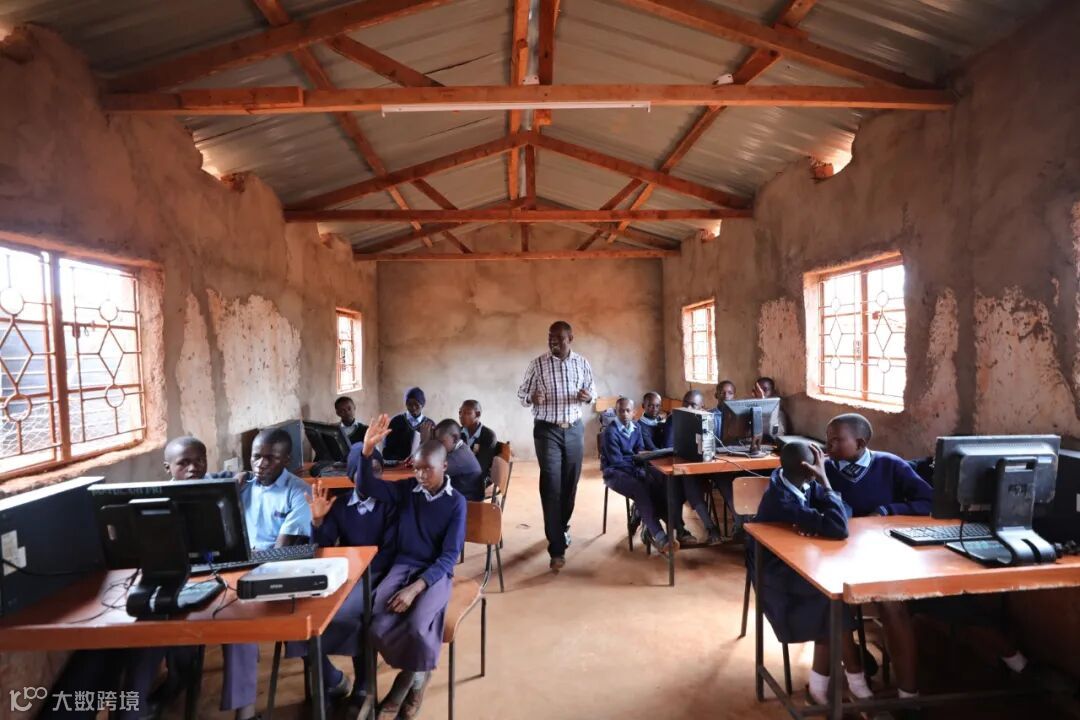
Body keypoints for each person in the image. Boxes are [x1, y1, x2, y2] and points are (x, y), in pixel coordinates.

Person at [356, 415, 466, 719]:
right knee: (379, 620)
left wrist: (416, 588)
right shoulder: (407, 490)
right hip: (404, 564)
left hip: (435, 573)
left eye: (427, 469)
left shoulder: (456, 503)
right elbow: (368, 485)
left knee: (417, 625)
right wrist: (367, 452)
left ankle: (409, 683)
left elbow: (449, 555)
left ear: (444, 466)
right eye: (416, 468)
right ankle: (418, 670)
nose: (420, 475)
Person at [750, 441, 872, 706]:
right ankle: (856, 682)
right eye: (818, 464)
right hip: (776, 578)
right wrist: (825, 483)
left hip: (803, 564)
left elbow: (845, 511)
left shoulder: (798, 482)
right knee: (832, 601)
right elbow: (839, 527)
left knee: (832, 598)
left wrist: (820, 520)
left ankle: (822, 688)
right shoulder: (781, 500)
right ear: (809, 469)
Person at [224, 428, 315, 720]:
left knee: (242, 618)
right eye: (256, 457)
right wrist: (229, 495)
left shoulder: (299, 491)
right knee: (230, 618)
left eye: (270, 458)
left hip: (278, 571)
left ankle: (328, 681)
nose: (260, 464)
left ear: (286, 460)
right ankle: (245, 712)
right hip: (239, 570)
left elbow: (280, 551)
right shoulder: (242, 486)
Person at [290, 463, 398, 710]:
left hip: (377, 573)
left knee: (354, 615)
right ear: (351, 475)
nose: (371, 476)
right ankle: (328, 679)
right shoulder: (340, 505)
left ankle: (364, 683)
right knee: (302, 617)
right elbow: (323, 548)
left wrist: (356, 565)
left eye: (376, 470)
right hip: (344, 572)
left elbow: (390, 550)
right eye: (363, 471)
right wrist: (318, 522)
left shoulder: (389, 505)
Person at [516, 320, 596, 571]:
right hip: (546, 430)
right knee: (551, 483)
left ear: (570, 338)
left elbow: (592, 391)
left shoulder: (582, 363)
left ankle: (561, 527)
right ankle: (557, 548)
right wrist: (532, 397)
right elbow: (521, 395)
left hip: (573, 429)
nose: (554, 342)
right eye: (550, 338)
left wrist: (588, 397)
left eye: (559, 338)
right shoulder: (537, 364)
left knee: (570, 484)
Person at [601, 397, 676, 555]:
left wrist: (642, 468)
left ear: (634, 412)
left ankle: (672, 526)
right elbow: (616, 462)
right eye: (621, 411)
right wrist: (639, 471)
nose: (624, 414)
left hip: (634, 467)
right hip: (615, 472)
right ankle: (659, 535)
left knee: (661, 479)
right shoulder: (610, 432)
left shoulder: (636, 428)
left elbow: (641, 452)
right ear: (616, 412)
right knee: (640, 487)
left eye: (628, 410)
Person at [823, 413, 932, 517]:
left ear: (859, 444)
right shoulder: (823, 468)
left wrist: (887, 510)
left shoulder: (890, 464)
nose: (828, 445)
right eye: (828, 439)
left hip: (882, 528)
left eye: (836, 440)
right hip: (839, 529)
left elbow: (930, 501)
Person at [434, 418, 484, 501]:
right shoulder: (460, 447)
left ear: (455, 438)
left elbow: (432, 471)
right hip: (461, 494)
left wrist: (424, 441)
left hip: (469, 502)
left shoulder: (458, 458)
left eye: (441, 442)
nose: (438, 446)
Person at [383, 387, 435, 463]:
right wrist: (399, 461)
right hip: (399, 465)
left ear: (422, 404)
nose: (413, 407)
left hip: (422, 465)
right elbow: (387, 450)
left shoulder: (429, 424)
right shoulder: (396, 422)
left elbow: (434, 450)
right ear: (406, 404)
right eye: (409, 404)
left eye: (416, 404)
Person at [459, 399, 499, 482]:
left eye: (467, 413)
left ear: (477, 414)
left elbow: (481, 465)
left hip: (478, 479)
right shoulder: (458, 432)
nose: (461, 416)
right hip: (461, 475)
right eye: (460, 412)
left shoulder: (488, 435)